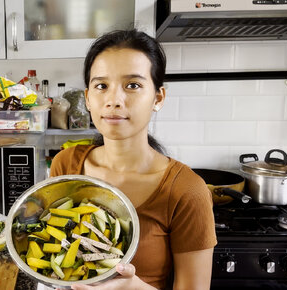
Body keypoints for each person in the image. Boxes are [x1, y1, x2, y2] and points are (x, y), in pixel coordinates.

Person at [50, 29, 217, 290]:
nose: (114, 100)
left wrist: (136, 288)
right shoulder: (66, 165)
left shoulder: (187, 191)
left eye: (133, 85)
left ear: (158, 98)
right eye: (101, 86)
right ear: (88, 99)